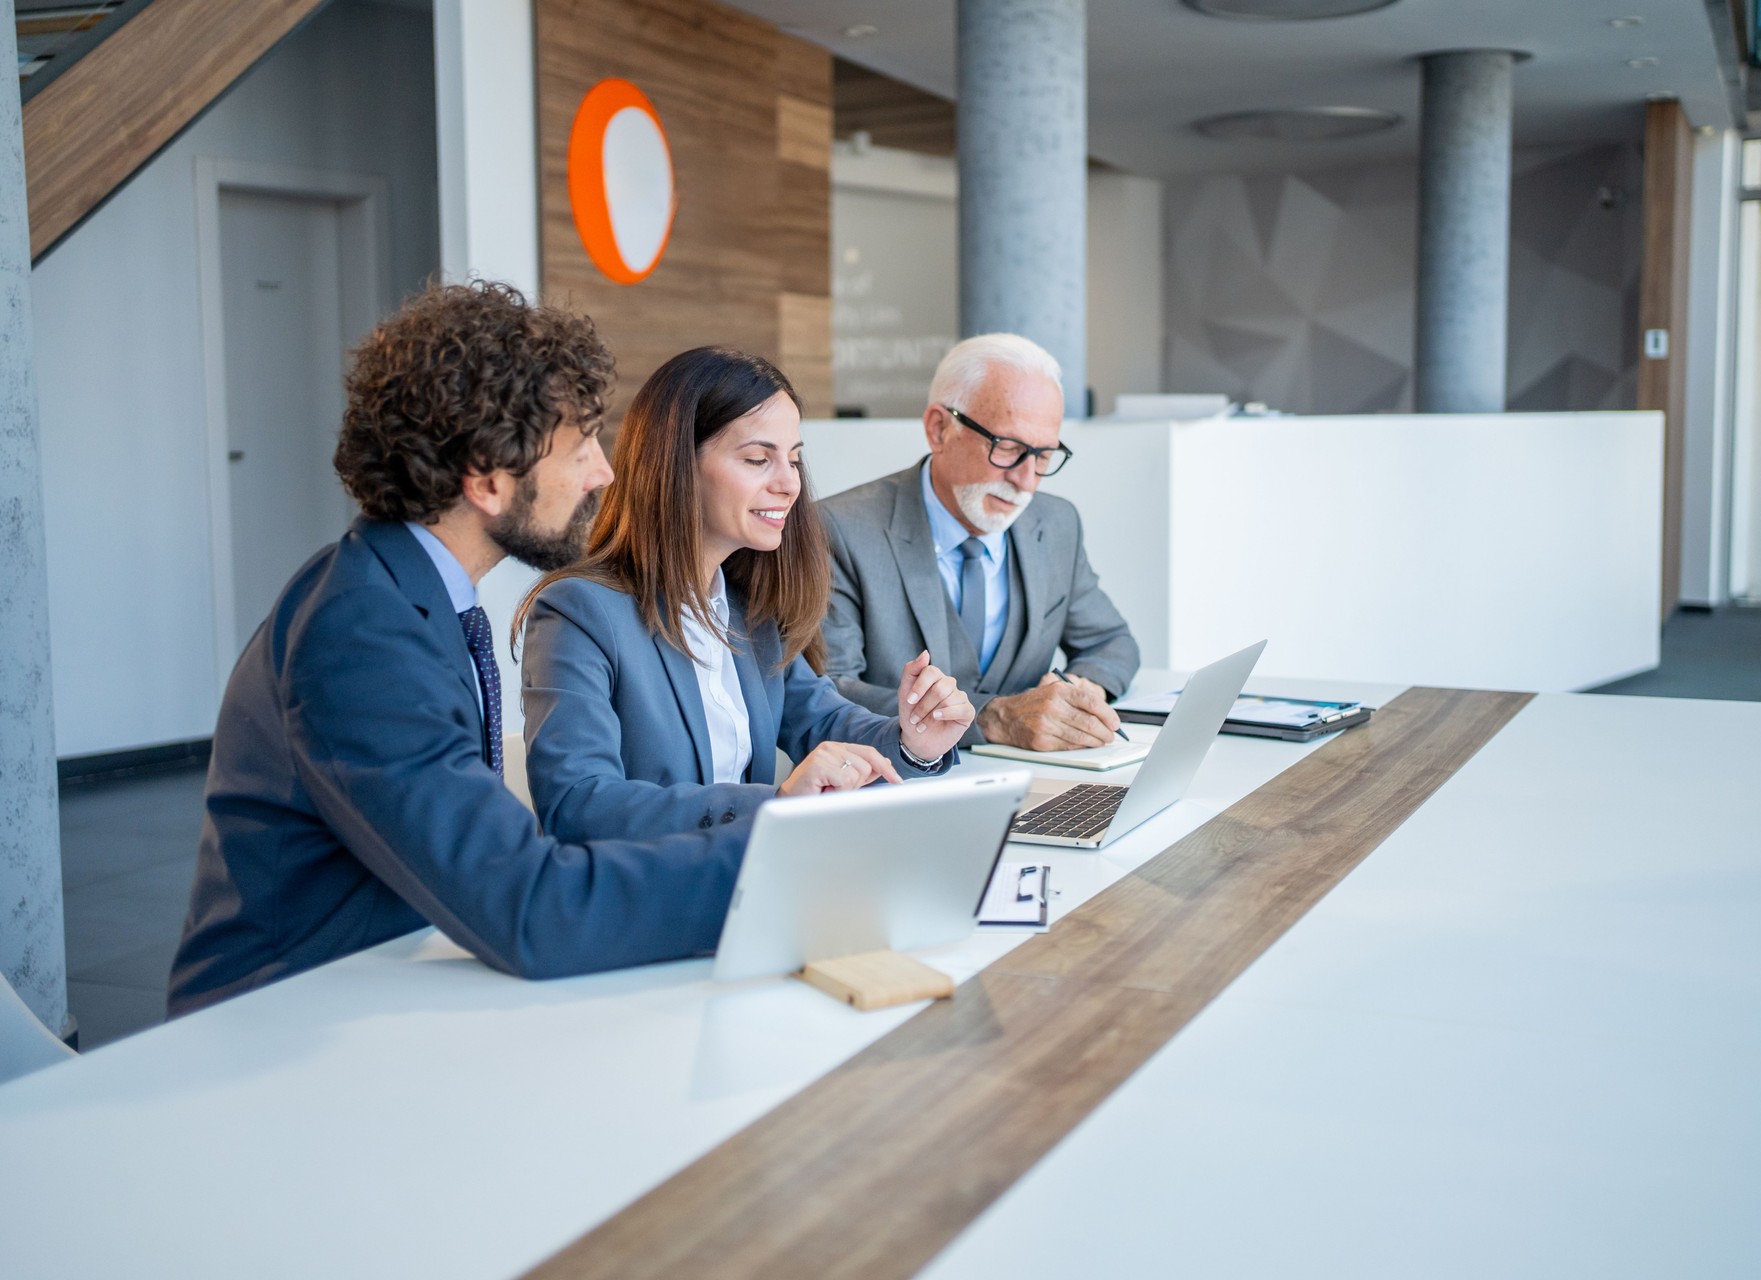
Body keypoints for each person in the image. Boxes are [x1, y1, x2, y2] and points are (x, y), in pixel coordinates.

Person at [169, 282, 747, 1018]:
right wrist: (770, 853)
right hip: (275, 1027)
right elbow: (529, 906)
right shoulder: (362, 636)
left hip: (382, 985)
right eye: (580, 446)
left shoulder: (403, 593)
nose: (603, 473)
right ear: (487, 480)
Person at [517, 348, 973, 845]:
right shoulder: (579, 612)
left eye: (794, 460)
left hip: (749, 885)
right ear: (675, 465)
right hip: (645, 901)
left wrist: (915, 743)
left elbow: (826, 720)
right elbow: (578, 805)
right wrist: (773, 807)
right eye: (759, 459)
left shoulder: (747, 610)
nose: (789, 484)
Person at [819, 333, 1139, 752]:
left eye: (1044, 456)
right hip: (896, 789)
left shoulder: (1057, 523)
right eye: (1008, 448)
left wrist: (1076, 695)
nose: (1025, 481)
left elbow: (1111, 643)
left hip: (1038, 783)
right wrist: (993, 718)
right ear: (939, 429)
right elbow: (828, 694)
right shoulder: (837, 528)